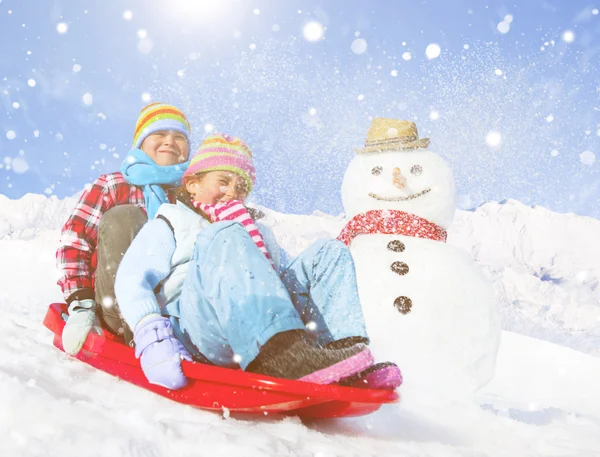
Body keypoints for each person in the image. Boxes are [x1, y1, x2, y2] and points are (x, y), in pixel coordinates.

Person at [114, 133, 402, 390]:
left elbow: (288, 280)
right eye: (223, 182)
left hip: (257, 319)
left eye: (241, 187)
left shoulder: (257, 231)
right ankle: (278, 355)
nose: (232, 193)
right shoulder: (172, 220)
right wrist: (153, 337)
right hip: (200, 328)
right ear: (192, 184)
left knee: (328, 252)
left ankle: (345, 353)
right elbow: (131, 278)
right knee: (225, 233)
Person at [56, 102, 192, 355]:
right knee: (125, 217)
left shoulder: (193, 195)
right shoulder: (113, 185)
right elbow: (75, 241)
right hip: (118, 306)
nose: (170, 142)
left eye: (179, 137)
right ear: (141, 144)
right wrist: (80, 303)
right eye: (159, 135)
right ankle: (140, 333)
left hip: (179, 310)